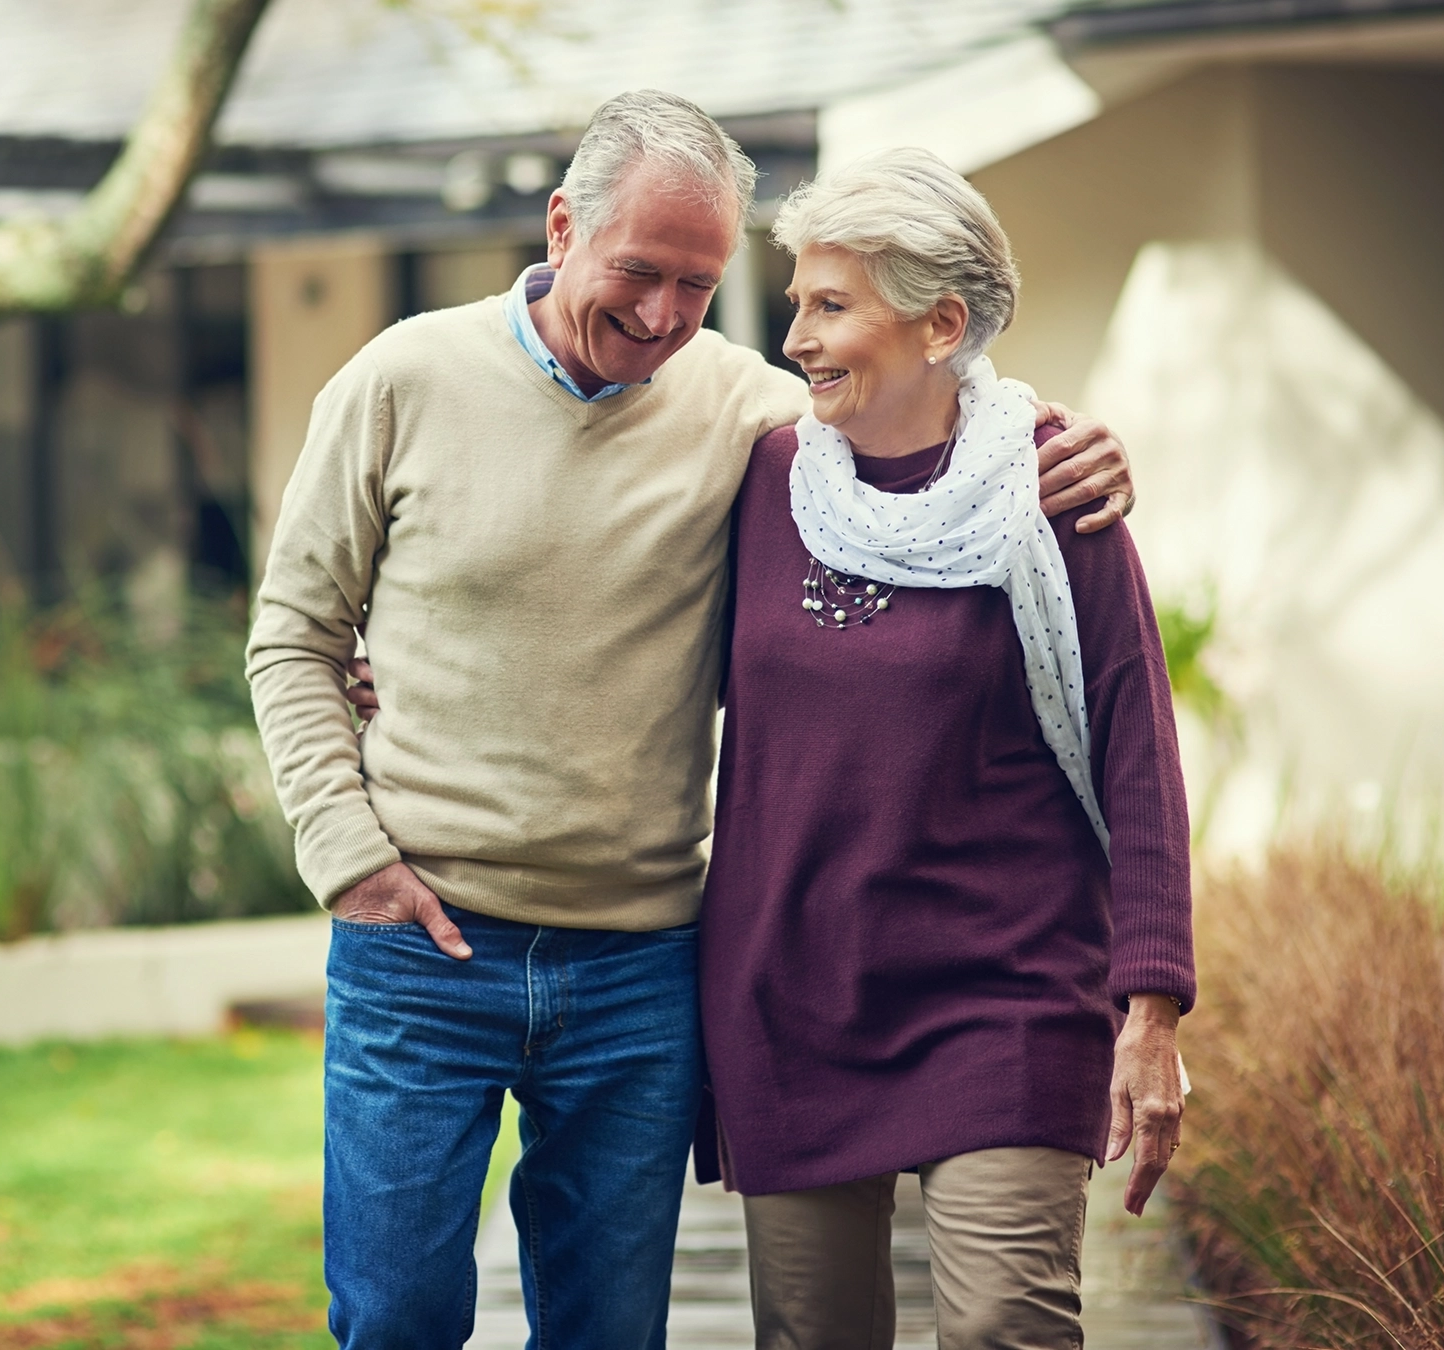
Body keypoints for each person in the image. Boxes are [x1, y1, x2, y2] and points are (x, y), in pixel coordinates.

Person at [246, 92, 1135, 1350]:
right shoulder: (399, 380)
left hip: (637, 959)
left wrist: (1061, 444)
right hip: (421, 945)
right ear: (563, 226)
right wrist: (348, 857)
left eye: (699, 286)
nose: (664, 316)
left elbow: (914, 416)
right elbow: (293, 634)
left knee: (608, 1331)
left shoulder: (750, 417)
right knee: (396, 1317)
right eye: (638, 273)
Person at [697, 146, 1193, 1350]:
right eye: (796, 304)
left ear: (940, 324)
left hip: (1003, 992)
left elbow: (1136, 748)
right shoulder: (763, 483)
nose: (796, 339)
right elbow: (613, 631)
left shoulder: (1051, 491)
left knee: (1004, 1334)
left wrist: (1151, 1009)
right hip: (792, 994)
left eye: (829, 306)